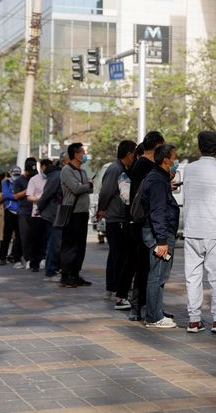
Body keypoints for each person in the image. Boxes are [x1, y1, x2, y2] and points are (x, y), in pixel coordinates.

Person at [183, 132, 216, 334]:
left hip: (192, 228)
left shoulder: (188, 169)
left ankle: (194, 321)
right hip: (215, 230)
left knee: (193, 276)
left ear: (199, 147)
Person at [124, 131, 165, 321]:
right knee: (143, 266)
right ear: (157, 145)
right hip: (143, 222)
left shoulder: (143, 165)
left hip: (145, 222)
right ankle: (137, 306)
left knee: (149, 267)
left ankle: (151, 306)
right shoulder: (145, 166)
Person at [141, 143, 180, 329]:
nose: (175, 161)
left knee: (160, 275)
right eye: (174, 158)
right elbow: (157, 211)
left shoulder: (160, 178)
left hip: (162, 232)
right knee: (156, 275)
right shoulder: (156, 180)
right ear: (166, 160)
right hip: (159, 235)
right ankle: (153, 317)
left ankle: (156, 311)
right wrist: (162, 240)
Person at [97, 140, 137, 305]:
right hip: (116, 218)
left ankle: (113, 286)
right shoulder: (115, 170)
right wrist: (102, 208)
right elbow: (106, 192)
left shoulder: (122, 169)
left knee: (117, 254)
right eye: (134, 154)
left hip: (119, 217)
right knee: (118, 255)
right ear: (128, 154)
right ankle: (114, 287)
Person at [60, 143, 94, 288]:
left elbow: (84, 188)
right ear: (75, 154)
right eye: (82, 152)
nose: (84, 155)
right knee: (70, 245)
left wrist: (85, 185)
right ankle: (66, 275)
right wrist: (87, 185)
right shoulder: (67, 170)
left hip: (83, 212)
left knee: (80, 245)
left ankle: (75, 274)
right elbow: (76, 188)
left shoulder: (82, 171)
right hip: (72, 212)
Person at [38, 158, 64, 281]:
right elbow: (47, 194)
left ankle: (53, 269)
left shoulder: (54, 175)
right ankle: (50, 272)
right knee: (54, 244)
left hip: (54, 213)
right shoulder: (56, 176)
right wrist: (40, 207)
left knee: (55, 243)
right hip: (53, 214)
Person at [26, 159, 51, 272]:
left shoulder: (53, 178)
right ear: (41, 167)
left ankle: (46, 261)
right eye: (46, 167)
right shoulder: (34, 180)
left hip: (50, 214)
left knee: (47, 240)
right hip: (37, 214)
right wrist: (40, 200)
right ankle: (34, 263)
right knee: (35, 240)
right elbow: (29, 196)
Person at [14, 159, 36, 269]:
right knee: (25, 236)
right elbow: (15, 196)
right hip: (24, 211)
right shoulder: (19, 180)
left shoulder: (37, 178)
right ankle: (27, 258)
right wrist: (27, 190)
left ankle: (37, 258)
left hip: (36, 211)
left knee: (36, 236)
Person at [3, 167, 22, 267]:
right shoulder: (5, 183)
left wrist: (15, 195)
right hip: (9, 211)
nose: (16, 176)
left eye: (18, 174)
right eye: (14, 174)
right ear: (10, 173)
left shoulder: (22, 182)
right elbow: (6, 195)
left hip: (19, 211)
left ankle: (16, 257)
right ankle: (2, 257)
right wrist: (17, 195)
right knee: (7, 235)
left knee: (19, 237)